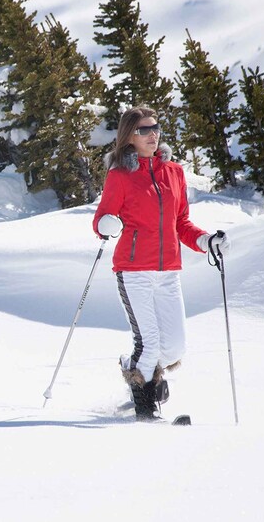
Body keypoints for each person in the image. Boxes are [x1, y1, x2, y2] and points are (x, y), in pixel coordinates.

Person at [92, 106, 230, 421]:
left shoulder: (174, 173)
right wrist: (106, 225)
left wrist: (206, 241)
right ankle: (146, 407)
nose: (152, 134)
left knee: (175, 348)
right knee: (149, 341)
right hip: (133, 270)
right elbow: (102, 218)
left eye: (155, 127)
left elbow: (182, 223)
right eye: (144, 130)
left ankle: (136, 366)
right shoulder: (120, 175)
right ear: (129, 136)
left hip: (168, 272)